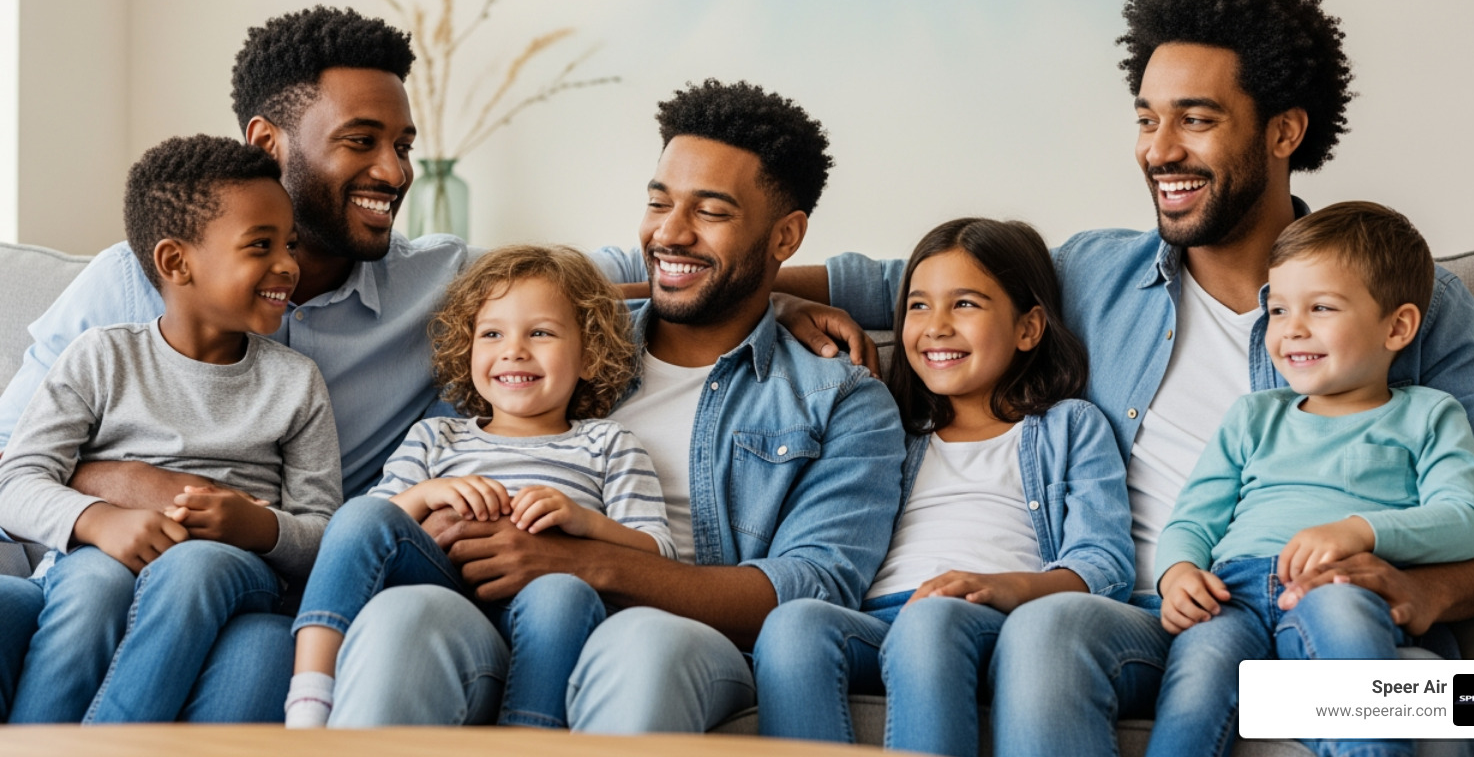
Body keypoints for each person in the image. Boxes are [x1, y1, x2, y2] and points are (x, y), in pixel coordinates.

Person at [773, 0, 1474, 755]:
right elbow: (898, 281)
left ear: (1284, 131)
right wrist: (774, 297)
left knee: (1457, 715)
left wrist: (1429, 591)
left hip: (1343, 611)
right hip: (1146, 614)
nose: (1159, 152)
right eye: (1146, 120)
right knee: (1047, 629)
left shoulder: (1415, 299)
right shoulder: (1095, 274)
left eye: (1196, 120)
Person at [324, 79, 906, 732]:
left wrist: (585, 565)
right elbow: (520, 300)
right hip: (489, 609)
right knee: (403, 618)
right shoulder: (555, 337)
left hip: (683, 636)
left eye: (710, 213)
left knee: (642, 647)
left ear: (785, 237)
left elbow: (813, 585)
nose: (670, 233)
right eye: (659, 202)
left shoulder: (843, 398)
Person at [0, 6, 470, 721]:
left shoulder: (437, 292)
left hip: (255, 582)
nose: (395, 170)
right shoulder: (119, 296)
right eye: (361, 141)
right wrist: (122, 492)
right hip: (100, 562)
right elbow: (13, 463)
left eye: (403, 144)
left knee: (252, 646)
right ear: (268, 142)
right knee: (84, 592)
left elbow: (581, 279)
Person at [753, 217, 1133, 757]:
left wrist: (1004, 586)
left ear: (1028, 328)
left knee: (930, 625)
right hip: (879, 619)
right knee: (793, 626)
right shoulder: (887, 427)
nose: (936, 326)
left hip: (990, 618)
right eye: (918, 305)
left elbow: (1104, 563)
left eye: (966, 305)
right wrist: (786, 304)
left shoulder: (1070, 425)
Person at [0, 135, 342, 722]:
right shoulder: (101, 357)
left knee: (194, 565)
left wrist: (258, 525)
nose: (289, 265)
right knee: (91, 588)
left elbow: (324, 532)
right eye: (260, 246)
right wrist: (97, 520)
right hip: (103, 557)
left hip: (233, 568)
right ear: (175, 262)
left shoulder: (296, 382)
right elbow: (17, 480)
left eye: (290, 244)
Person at [1149, 202, 1474, 757]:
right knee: (1197, 678)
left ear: (1397, 326)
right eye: (1278, 310)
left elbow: (1466, 521)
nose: (1292, 329)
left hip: (1343, 588)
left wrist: (1358, 532)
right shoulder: (1253, 416)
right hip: (1230, 594)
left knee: (1345, 617)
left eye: (1321, 307)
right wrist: (1178, 572)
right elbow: (1193, 517)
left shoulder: (1430, 413)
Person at [284, 244, 670, 728]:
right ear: (467, 351)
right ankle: (309, 698)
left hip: (539, 610)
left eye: (541, 333)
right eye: (491, 333)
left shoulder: (608, 443)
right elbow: (368, 528)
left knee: (562, 595)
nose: (514, 349)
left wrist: (583, 521)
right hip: (441, 585)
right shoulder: (435, 436)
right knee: (358, 515)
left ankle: (529, 733)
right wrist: (428, 495)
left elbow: (656, 552)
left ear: (589, 355)